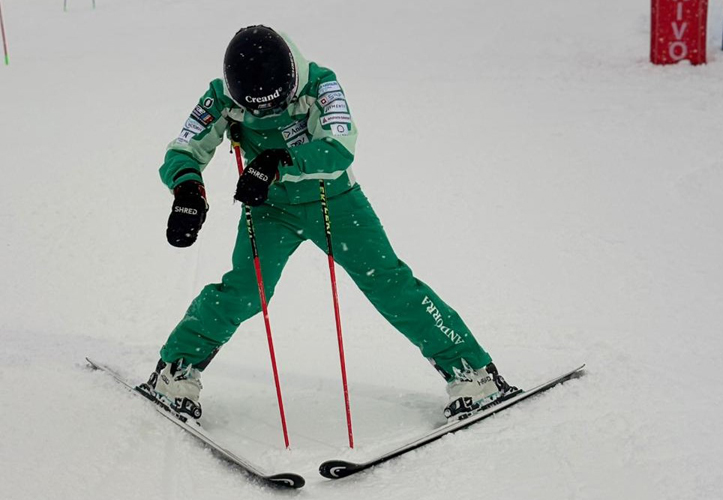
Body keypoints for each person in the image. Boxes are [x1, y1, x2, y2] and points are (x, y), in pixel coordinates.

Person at [138, 25, 518, 422]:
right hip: (269, 210)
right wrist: (187, 192)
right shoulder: (221, 97)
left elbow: (339, 147)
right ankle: (175, 371)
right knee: (246, 291)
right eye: (258, 110)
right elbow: (185, 147)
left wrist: (278, 160)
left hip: (334, 201)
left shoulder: (320, 84)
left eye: (277, 104)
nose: (268, 114)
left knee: (389, 283)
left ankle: (473, 373)